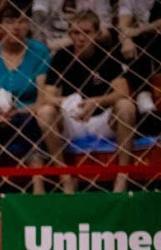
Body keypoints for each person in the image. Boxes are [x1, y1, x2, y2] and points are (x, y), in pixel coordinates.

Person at [38, 10, 136, 192]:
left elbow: (123, 92)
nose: (81, 38)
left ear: (97, 33)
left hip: (102, 120)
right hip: (72, 120)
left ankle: (122, 178)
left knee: (126, 106)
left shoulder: (107, 55)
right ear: (70, 34)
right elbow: (47, 96)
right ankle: (65, 178)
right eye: (76, 33)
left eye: (86, 32)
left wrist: (96, 102)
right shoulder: (62, 57)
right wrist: (67, 103)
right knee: (45, 112)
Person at [0, 5, 50, 193]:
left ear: (29, 25)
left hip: (27, 112)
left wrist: (19, 111)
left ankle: (38, 189)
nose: (16, 27)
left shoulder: (40, 52)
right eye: (9, 22)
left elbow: (42, 100)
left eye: (22, 21)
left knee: (30, 123)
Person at [31, 0, 111, 52]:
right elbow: (37, 18)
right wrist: (43, 46)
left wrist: (72, 40)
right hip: (49, 42)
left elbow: (105, 30)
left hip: (85, 42)